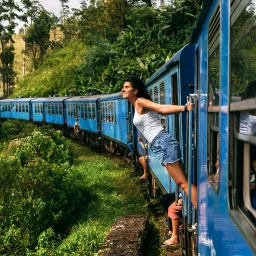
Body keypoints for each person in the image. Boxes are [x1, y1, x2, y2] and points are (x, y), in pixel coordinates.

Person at [121, 76, 197, 208]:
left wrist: (184, 108)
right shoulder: (136, 105)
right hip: (160, 144)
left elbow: (162, 109)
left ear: (135, 91)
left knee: (183, 183)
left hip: (163, 142)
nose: (123, 89)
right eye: (123, 87)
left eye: (127, 87)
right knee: (183, 183)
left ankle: (203, 218)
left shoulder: (140, 101)